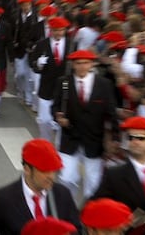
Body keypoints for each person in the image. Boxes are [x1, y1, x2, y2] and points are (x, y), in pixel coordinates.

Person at [0, 138, 81, 235]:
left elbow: (77, 229)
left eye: (54, 170)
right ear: (27, 169)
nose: (51, 176)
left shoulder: (63, 194)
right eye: (44, 170)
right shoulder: (1, 199)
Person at [51, 50, 120, 200]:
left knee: (93, 182)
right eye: (78, 63)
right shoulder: (64, 82)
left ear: (92, 64)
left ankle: (89, 213)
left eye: (85, 63)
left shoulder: (104, 84)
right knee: (66, 178)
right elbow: (55, 106)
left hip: (94, 141)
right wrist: (58, 117)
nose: (82, 67)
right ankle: (68, 207)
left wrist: (115, 137)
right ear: (73, 65)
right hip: (69, 138)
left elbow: (111, 112)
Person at [92, 117, 145, 214]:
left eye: (141, 138)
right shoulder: (114, 175)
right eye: (130, 138)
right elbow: (95, 207)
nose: (135, 142)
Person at [29, 16, 73, 142]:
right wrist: (38, 64)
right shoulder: (42, 44)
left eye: (61, 30)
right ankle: (45, 141)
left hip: (64, 88)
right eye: (55, 30)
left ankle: (59, 146)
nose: (58, 33)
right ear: (51, 30)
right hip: (46, 87)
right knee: (44, 119)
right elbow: (33, 64)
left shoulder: (71, 45)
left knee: (61, 120)